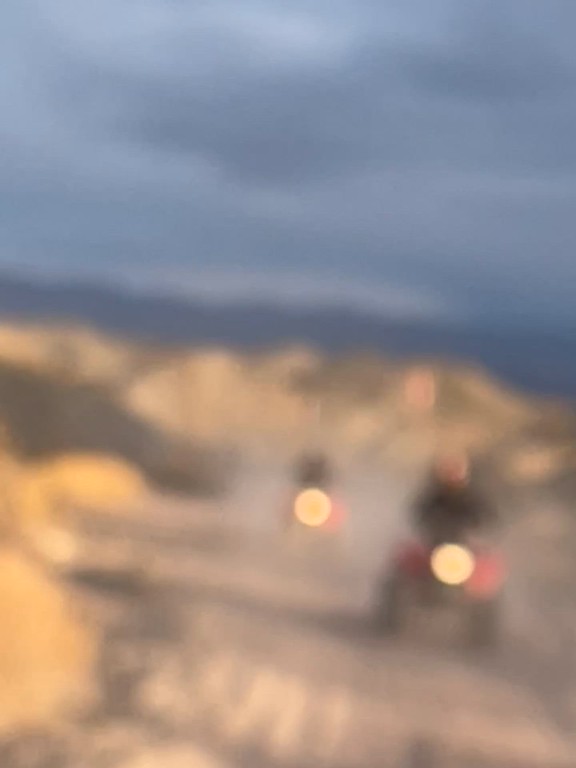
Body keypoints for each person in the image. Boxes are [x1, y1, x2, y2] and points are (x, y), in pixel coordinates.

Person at [413, 454, 496, 547]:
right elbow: (421, 519)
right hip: (437, 546)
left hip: (467, 546)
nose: (453, 475)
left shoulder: (473, 500)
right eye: (448, 470)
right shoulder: (432, 500)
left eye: (457, 470)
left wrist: (475, 534)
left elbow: (486, 520)